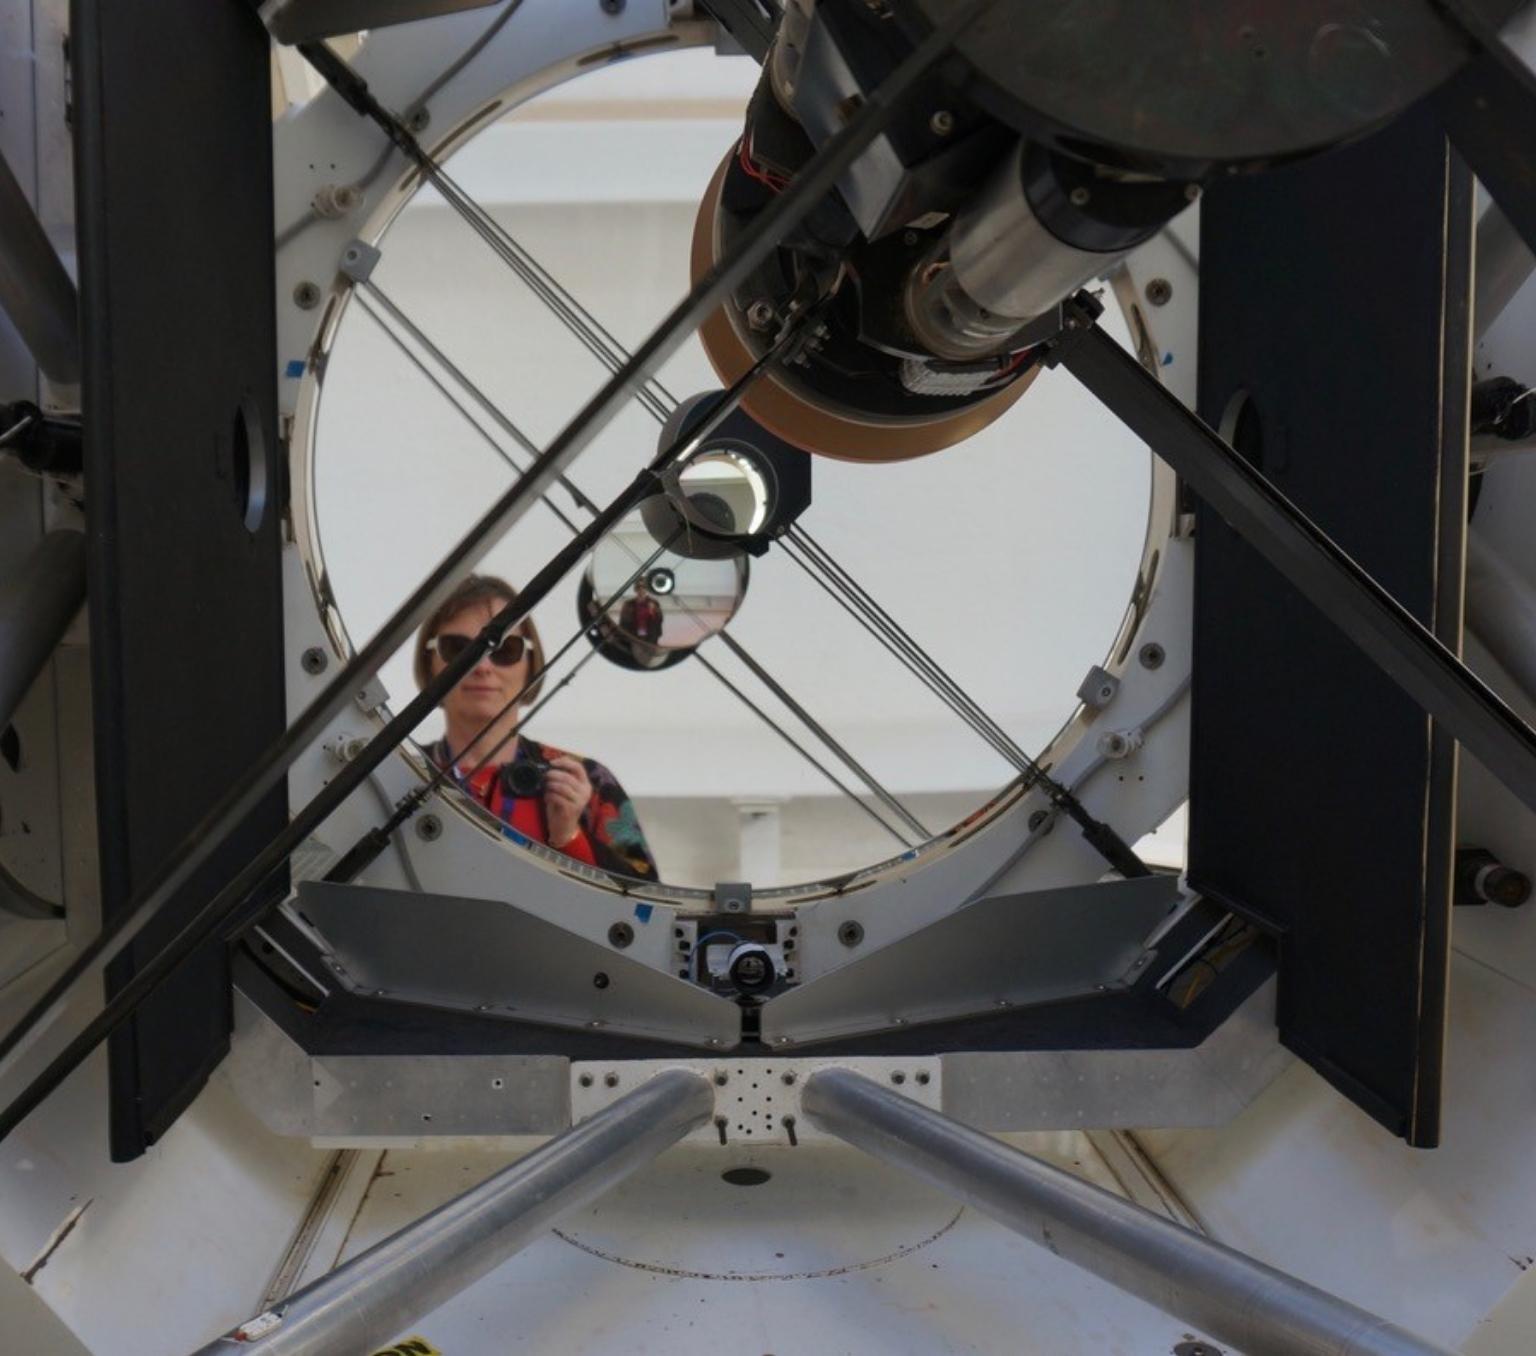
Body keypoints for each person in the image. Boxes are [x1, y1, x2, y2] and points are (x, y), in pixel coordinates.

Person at [413, 574, 658, 881]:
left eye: (504, 649)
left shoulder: (588, 782)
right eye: (458, 649)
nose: (482, 666)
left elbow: (646, 904)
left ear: (531, 663)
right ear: (429, 662)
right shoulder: (398, 774)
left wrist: (569, 836)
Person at [618, 577, 664, 648]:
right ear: (636, 589)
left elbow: (659, 620)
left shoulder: (654, 603)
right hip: (633, 638)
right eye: (639, 587)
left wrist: (653, 611)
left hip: (650, 638)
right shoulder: (628, 604)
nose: (641, 589)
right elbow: (623, 622)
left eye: (644, 587)